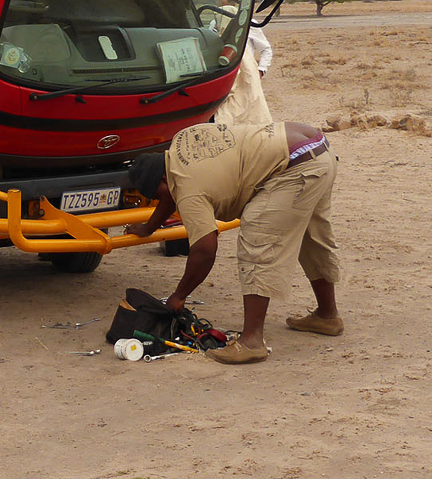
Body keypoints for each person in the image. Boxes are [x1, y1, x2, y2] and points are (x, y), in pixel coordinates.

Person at [126, 121, 342, 364]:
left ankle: (251, 342)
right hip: (315, 148)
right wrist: (149, 227)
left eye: (156, 196)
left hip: (292, 168)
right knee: (311, 236)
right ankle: (327, 316)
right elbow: (170, 193)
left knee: (257, 233)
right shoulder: (180, 144)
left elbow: (205, 250)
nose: (159, 201)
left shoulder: (187, 187)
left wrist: (179, 295)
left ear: (164, 179)